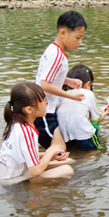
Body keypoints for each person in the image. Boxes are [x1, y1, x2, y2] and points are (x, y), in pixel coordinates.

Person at [0, 82, 74, 183]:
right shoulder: (27, 132)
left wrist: (49, 155)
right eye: (43, 101)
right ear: (29, 109)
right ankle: (30, 186)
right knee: (67, 170)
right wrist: (50, 151)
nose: (46, 103)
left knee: (69, 160)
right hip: (13, 181)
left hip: (6, 174)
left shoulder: (16, 124)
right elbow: (35, 171)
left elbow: (23, 155)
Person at [35, 10, 87, 149]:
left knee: (60, 150)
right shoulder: (57, 55)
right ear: (63, 33)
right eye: (77, 37)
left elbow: (48, 76)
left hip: (43, 109)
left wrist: (68, 81)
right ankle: (31, 167)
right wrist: (72, 97)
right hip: (43, 112)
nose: (80, 42)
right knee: (59, 151)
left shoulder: (53, 49)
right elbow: (44, 84)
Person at [56, 65, 109, 151]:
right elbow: (96, 119)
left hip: (65, 136)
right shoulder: (89, 94)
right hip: (84, 135)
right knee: (100, 151)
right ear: (88, 84)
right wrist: (102, 115)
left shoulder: (62, 95)